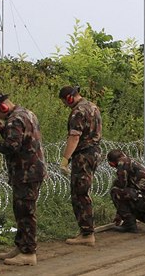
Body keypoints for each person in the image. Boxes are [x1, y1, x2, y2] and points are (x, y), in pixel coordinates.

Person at [0, 93, 47, 266]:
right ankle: (21, 246)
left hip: (26, 172)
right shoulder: (27, 113)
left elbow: (12, 145)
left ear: (2, 108)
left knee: (26, 212)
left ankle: (28, 253)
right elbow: (22, 138)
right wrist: (2, 128)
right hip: (31, 170)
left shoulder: (14, 120)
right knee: (21, 211)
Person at [58, 86, 102, 247]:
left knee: (79, 193)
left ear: (69, 98)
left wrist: (65, 159)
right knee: (84, 191)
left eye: (64, 101)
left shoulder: (78, 111)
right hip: (94, 152)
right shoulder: (93, 106)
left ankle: (87, 233)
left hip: (83, 155)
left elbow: (74, 137)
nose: (65, 105)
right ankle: (86, 230)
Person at [106, 149, 145, 233]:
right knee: (130, 199)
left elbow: (121, 185)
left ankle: (129, 225)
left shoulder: (123, 162)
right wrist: (119, 213)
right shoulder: (132, 163)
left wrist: (121, 214)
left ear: (111, 163)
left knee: (115, 190)